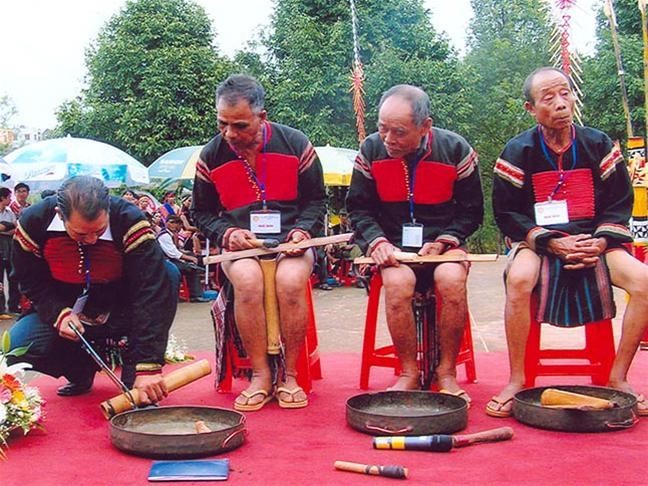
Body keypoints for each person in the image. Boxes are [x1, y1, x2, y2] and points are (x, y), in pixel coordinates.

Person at [488, 67, 648, 417]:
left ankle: (618, 376)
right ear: (530, 109)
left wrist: (601, 242)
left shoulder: (598, 144)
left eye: (566, 94)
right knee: (518, 280)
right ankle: (517, 378)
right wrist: (549, 242)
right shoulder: (518, 151)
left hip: (595, 240)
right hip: (539, 244)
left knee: (644, 281)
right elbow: (507, 213)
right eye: (549, 98)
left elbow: (620, 201)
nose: (561, 103)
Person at [192, 74, 326, 411]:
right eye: (222, 124)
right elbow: (201, 213)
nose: (229, 134)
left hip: (291, 243)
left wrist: (302, 231)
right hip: (241, 247)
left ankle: (291, 375)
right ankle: (261, 376)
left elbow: (317, 201)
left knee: (291, 280)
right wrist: (228, 234)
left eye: (240, 126)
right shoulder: (211, 155)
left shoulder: (296, 144)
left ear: (262, 117)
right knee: (249, 282)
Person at [347, 84, 483, 398]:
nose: (388, 139)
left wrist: (445, 241)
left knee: (451, 279)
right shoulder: (370, 150)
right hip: (392, 247)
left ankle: (446, 372)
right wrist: (377, 243)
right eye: (382, 129)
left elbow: (472, 211)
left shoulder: (455, 149)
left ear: (425, 127)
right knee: (397, 284)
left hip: (442, 247)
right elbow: (358, 208)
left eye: (398, 131)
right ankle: (408, 371)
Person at [7, 176, 180, 403]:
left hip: (121, 307)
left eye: (99, 231)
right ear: (60, 214)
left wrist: (148, 366)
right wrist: (58, 313)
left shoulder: (129, 219)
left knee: (169, 273)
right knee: (16, 346)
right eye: (80, 233)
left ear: (108, 210)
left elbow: (151, 291)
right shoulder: (34, 221)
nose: (90, 240)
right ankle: (79, 369)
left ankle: (133, 369)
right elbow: (29, 279)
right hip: (64, 304)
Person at [157, 215, 208, 303]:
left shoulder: (173, 234)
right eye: (171, 222)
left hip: (171, 259)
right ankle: (195, 296)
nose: (174, 225)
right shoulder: (164, 235)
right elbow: (173, 253)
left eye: (176, 223)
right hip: (165, 262)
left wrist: (188, 254)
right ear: (166, 223)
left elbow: (178, 250)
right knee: (192, 269)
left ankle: (195, 294)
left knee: (193, 261)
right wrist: (191, 258)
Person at [0, 187, 20, 315]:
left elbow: (16, 229)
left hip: (10, 249)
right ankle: (1, 309)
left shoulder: (9, 212)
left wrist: (4, 229)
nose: (10, 199)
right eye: (9, 197)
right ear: (2, 198)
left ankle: (13, 306)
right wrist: (10, 226)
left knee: (13, 277)